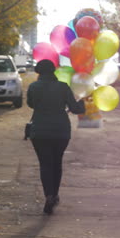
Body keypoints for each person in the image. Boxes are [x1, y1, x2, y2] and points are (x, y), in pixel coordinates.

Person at [27, 59, 85, 215]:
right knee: (56, 162)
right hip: (61, 131)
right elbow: (75, 108)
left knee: (45, 163)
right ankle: (55, 194)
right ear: (53, 71)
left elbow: (31, 104)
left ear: (38, 72)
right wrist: (83, 102)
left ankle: (49, 195)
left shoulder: (33, 87)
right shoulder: (63, 87)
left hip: (39, 131)